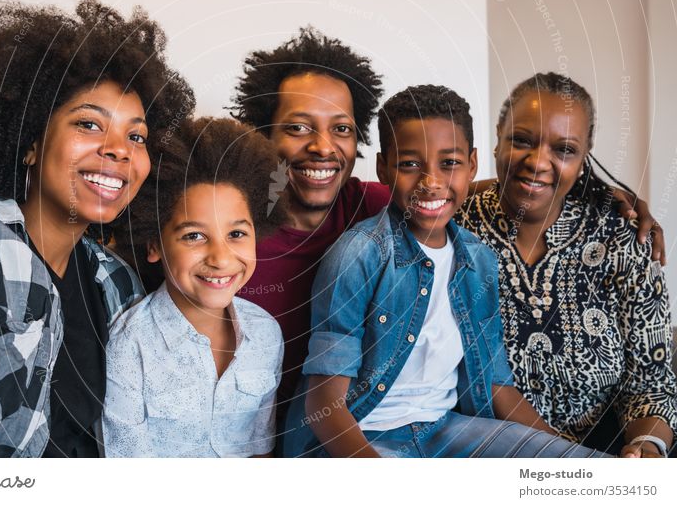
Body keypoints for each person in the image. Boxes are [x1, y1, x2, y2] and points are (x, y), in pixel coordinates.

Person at [0, 0, 195, 457]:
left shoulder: (118, 283)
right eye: (89, 123)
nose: (119, 150)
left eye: (136, 136)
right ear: (29, 142)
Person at [283, 85, 606, 458]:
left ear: (472, 165)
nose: (431, 181)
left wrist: (563, 452)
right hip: (365, 438)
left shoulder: (477, 260)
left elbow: (498, 386)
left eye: (449, 163)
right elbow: (324, 409)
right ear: (383, 168)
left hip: (446, 432)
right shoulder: (360, 255)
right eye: (409, 164)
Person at [459, 72, 677, 457]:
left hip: (605, 450)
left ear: (583, 156)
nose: (537, 162)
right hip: (485, 453)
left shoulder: (623, 237)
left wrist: (647, 446)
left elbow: (651, 385)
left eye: (564, 150)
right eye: (522, 141)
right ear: (497, 138)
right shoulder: (452, 228)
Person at [229, 27, 388, 416]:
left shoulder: (375, 208)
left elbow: (449, 194)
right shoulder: (230, 229)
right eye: (298, 127)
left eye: (342, 129)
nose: (322, 146)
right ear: (264, 134)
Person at [103, 118, 286, 457]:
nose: (220, 258)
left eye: (236, 234)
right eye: (194, 236)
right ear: (154, 245)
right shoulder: (130, 345)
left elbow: (258, 451)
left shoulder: (267, 334)